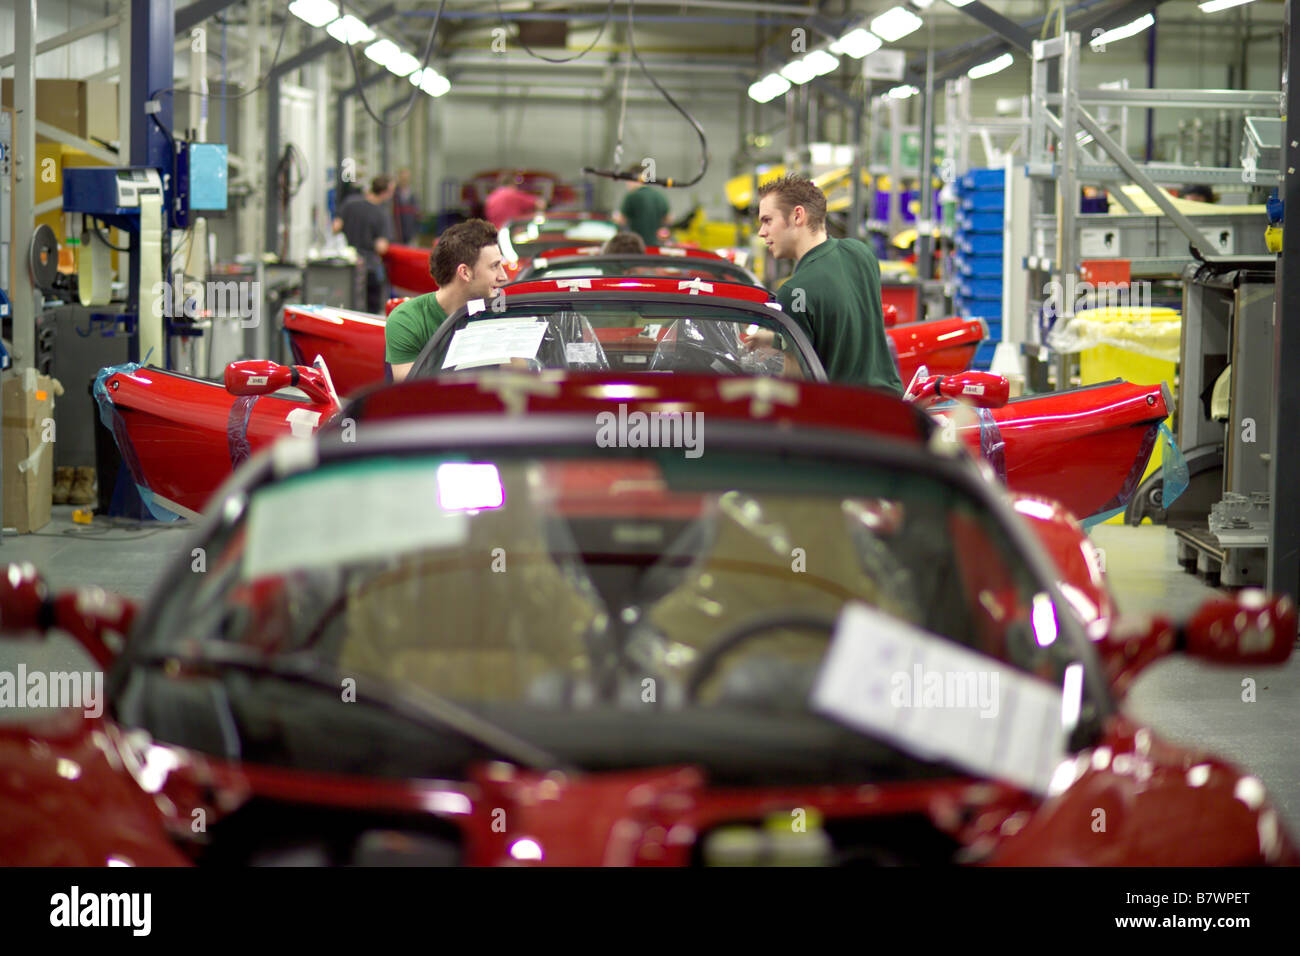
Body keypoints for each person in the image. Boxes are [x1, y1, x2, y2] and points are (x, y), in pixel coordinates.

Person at [751, 174, 902, 394]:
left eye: (767, 220)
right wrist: (775, 339)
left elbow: (794, 386)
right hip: (889, 408)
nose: (761, 232)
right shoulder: (860, 253)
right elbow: (838, 328)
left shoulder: (794, 291)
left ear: (797, 216)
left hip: (843, 417)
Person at [384, 219, 508, 382]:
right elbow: (410, 394)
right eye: (494, 266)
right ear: (465, 273)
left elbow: (521, 380)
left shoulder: (498, 313)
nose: (504, 277)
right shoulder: (408, 319)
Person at [333, 175, 395, 313]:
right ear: (385, 193)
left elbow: (336, 227)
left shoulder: (350, 203)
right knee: (370, 310)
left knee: (346, 305)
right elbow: (382, 247)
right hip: (369, 267)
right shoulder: (382, 214)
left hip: (346, 265)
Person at [615, 170, 672, 246]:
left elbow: (622, 220)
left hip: (637, 246)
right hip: (656, 246)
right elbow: (669, 219)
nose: (627, 184)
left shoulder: (631, 196)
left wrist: (615, 218)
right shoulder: (660, 196)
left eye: (627, 181)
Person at [392, 168, 422, 243]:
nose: (405, 180)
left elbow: (417, 212)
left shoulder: (413, 194)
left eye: (406, 178)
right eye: (403, 178)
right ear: (399, 178)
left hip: (411, 231)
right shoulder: (393, 193)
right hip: (397, 232)